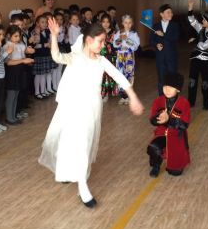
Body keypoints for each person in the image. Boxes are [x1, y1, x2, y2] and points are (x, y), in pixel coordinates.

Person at [39, 19, 144, 208]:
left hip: (92, 109)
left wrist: (133, 96)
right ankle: (80, 184)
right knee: (72, 142)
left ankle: (78, 179)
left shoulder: (101, 61)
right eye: (100, 41)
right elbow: (56, 56)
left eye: (104, 41)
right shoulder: (75, 57)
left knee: (84, 144)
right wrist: (54, 35)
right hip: (73, 107)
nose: (103, 45)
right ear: (88, 40)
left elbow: (119, 76)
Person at [147, 72, 190, 177]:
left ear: (178, 89)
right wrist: (157, 118)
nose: (167, 89)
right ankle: (156, 165)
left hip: (176, 137)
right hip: (161, 133)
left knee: (175, 172)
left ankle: (172, 161)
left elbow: (184, 125)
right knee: (153, 147)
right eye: (165, 86)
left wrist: (168, 120)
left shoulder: (184, 103)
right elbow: (152, 120)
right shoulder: (158, 101)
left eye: (171, 87)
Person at [186, 0, 208, 110]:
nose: (202, 21)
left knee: (205, 83)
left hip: (206, 62)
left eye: (204, 19)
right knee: (192, 81)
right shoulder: (201, 28)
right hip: (195, 59)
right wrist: (190, 7)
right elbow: (192, 20)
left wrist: (195, 40)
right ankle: (190, 102)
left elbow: (204, 46)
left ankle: (207, 104)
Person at [4, 25, 35, 125]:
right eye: (15, 36)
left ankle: (13, 115)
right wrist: (23, 60)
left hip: (19, 70)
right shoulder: (7, 46)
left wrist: (29, 50)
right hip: (12, 72)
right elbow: (8, 62)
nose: (18, 38)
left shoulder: (20, 44)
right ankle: (9, 118)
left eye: (19, 36)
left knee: (16, 94)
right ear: (9, 36)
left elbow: (24, 51)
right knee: (11, 95)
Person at [151, 4, 180, 96]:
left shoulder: (175, 25)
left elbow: (175, 38)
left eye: (171, 12)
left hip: (172, 58)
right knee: (161, 80)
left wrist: (163, 35)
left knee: (172, 80)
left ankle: (172, 99)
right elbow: (151, 40)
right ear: (161, 14)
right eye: (168, 12)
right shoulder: (155, 26)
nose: (171, 14)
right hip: (160, 58)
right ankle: (161, 99)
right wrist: (156, 45)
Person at [113, 15, 140, 105]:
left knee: (129, 74)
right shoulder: (118, 33)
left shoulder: (134, 34)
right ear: (122, 23)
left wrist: (127, 39)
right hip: (120, 56)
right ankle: (122, 96)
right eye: (125, 23)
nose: (127, 25)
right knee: (120, 74)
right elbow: (114, 44)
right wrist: (120, 39)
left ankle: (128, 96)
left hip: (129, 56)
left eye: (129, 23)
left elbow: (136, 46)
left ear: (132, 24)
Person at [99, 13, 119, 102]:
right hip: (101, 56)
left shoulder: (114, 32)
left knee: (110, 74)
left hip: (111, 56)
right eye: (104, 22)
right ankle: (104, 93)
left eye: (107, 22)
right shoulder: (98, 32)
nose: (106, 24)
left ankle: (110, 92)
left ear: (110, 23)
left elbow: (116, 44)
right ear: (101, 22)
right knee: (102, 75)